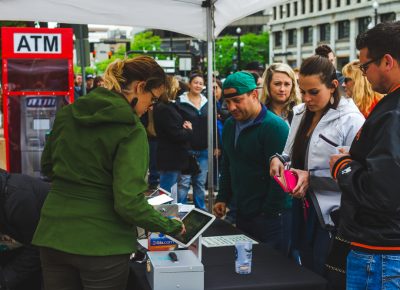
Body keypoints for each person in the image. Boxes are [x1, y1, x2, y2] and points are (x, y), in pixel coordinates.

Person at [32, 56, 185, 290]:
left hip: (53, 234)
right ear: (139, 87)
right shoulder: (131, 130)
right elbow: (128, 203)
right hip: (102, 244)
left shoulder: (69, 113)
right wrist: (170, 225)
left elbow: (47, 167)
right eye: (151, 99)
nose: (149, 108)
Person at [269, 55, 364, 279]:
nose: (307, 98)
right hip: (301, 207)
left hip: (331, 215)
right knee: (306, 269)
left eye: (314, 92)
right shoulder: (300, 112)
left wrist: (312, 178)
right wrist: (279, 161)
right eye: (303, 91)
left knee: (327, 274)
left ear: (333, 86)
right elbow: (289, 153)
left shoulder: (351, 119)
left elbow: (358, 175)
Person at [330, 21, 400, 289]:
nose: (364, 74)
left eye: (365, 66)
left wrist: (343, 165)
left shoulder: (394, 111)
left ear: (387, 61)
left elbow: (382, 193)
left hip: (382, 251)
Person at [213, 71, 292, 256]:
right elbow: (228, 162)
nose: (231, 107)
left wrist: (269, 211)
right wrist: (223, 196)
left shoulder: (275, 127)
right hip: (243, 211)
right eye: (227, 102)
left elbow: (282, 176)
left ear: (254, 95)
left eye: (238, 100)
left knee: (274, 269)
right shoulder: (231, 125)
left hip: (272, 216)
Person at [0, 169, 50, 290]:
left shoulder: (18, 198)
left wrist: (5, 280)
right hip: (26, 242)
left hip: (56, 248)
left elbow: (36, 248)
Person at [153, 76, 193, 193]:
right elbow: (175, 134)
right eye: (176, 86)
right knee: (168, 191)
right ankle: (166, 212)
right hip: (170, 157)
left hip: (172, 157)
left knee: (172, 190)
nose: (178, 88)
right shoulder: (164, 108)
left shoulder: (167, 106)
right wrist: (188, 130)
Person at [176, 73, 208, 209]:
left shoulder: (207, 102)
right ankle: (181, 210)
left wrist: (215, 146)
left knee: (200, 183)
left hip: (204, 149)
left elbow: (212, 124)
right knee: (184, 182)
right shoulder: (180, 102)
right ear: (189, 84)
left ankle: (201, 210)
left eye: (201, 83)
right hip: (186, 149)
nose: (198, 85)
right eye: (196, 82)